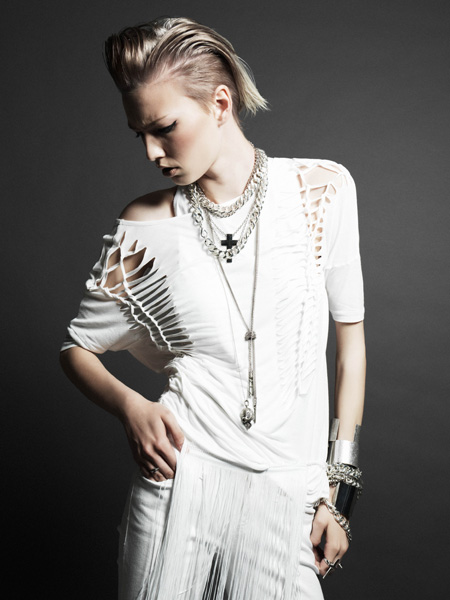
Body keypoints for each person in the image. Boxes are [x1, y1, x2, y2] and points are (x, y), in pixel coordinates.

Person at [60, 16, 366, 600]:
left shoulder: (321, 191)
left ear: (220, 104)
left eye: (164, 128)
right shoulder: (147, 227)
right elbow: (76, 348)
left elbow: (350, 351)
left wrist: (341, 491)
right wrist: (131, 408)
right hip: (178, 489)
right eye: (139, 135)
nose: (152, 152)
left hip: (289, 493)